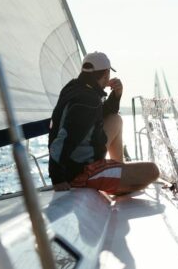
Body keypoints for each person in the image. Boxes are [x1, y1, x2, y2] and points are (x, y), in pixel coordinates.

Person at [48, 52, 160, 195]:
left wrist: (116, 94)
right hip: (82, 171)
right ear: (106, 74)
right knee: (152, 171)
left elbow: (99, 114)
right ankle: (120, 184)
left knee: (115, 119)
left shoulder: (74, 88)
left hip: (78, 160)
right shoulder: (87, 101)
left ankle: (118, 169)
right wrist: (57, 178)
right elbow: (63, 140)